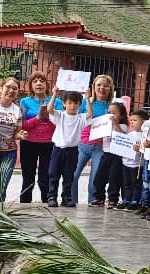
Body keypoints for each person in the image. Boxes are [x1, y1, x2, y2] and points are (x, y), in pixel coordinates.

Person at [72, 73, 114, 206]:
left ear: (110, 88)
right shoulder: (85, 102)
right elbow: (75, 119)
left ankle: (93, 205)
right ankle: (71, 202)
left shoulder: (113, 105)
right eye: (99, 85)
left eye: (106, 86)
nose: (102, 88)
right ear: (94, 87)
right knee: (73, 176)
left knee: (95, 180)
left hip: (101, 147)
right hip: (83, 144)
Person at [46, 88, 92, 207]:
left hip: (72, 151)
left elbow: (90, 114)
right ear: (64, 104)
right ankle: (51, 196)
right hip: (58, 150)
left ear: (79, 105)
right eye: (70, 102)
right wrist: (54, 94)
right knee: (53, 174)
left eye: (75, 103)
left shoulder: (81, 118)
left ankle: (66, 197)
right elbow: (49, 109)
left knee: (69, 175)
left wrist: (87, 98)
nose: (72, 106)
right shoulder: (60, 116)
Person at [19, 71, 58, 204]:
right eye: (35, 81)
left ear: (47, 85)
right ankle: (24, 207)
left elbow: (61, 125)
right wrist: (37, 118)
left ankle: (47, 206)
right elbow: (22, 125)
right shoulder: (25, 101)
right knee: (28, 178)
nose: (39, 83)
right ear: (31, 86)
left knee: (45, 178)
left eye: (42, 81)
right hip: (28, 143)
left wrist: (48, 118)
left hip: (49, 144)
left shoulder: (56, 101)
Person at [91, 101, 129, 208]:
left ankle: (113, 199)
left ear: (121, 115)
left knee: (114, 179)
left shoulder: (122, 125)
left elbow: (122, 135)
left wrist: (115, 124)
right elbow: (100, 138)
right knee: (98, 178)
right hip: (106, 154)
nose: (111, 115)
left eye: (114, 113)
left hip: (116, 156)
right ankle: (99, 197)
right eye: (109, 112)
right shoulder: (105, 125)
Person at [118, 109, 146, 211]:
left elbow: (147, 151)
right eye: (131, 120)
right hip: (126, 163)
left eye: (135, 120)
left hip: (137, 165)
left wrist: (140, 149)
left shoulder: (145, 136)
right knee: (127, 184)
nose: (132, 122)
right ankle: (126, 200)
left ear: (144, 122)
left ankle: (135, 201)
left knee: (136, 184)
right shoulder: (130, 135)